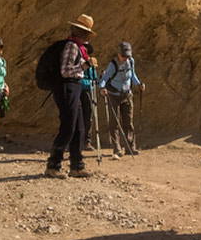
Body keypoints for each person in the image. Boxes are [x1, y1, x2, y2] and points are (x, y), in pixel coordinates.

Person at [45, 14, 96, 179]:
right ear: (83, 33)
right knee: (69, 126)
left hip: (74, 87)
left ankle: (77, 165)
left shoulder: (78, 47)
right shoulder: (72, 47)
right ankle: (53, 164)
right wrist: (85, 65)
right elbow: (65, 71)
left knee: (79, 127)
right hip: (68, 87)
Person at [99, 41, 146, 158]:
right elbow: (104, 79)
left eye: (127, 55)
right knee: (114, 123)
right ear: (118, 53)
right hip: (113, 95)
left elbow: (132, 75)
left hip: (127, 95)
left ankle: (130, 147)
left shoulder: (131, 61)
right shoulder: (113, 64)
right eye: (123, 55)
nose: (125, 58)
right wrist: (102, 88)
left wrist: (139, 84)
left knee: (128, 122)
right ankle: (117, 149)